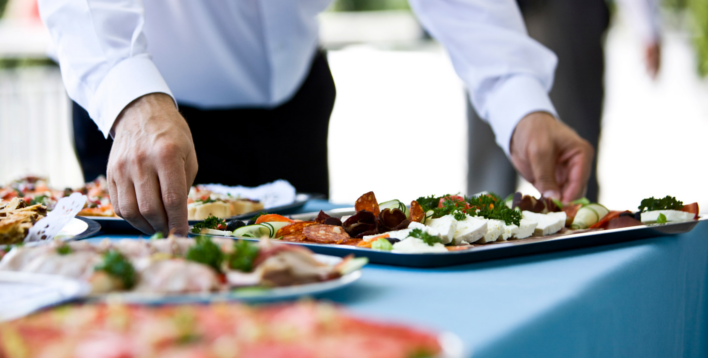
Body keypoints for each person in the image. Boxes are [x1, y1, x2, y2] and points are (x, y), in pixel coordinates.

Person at [38, 0, 594, 235]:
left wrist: (519, 99)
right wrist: (128, 93)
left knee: (300, 306)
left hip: (295, 101)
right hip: (141, 116)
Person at [467, 0, 661, 200]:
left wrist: (645, 22)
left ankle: (578, 223)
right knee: (491, 170)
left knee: (570, 163)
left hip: (566, 14)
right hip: (487, 15)